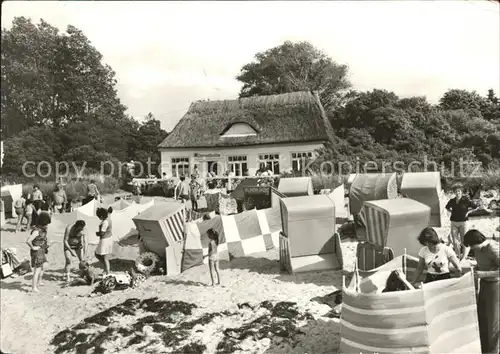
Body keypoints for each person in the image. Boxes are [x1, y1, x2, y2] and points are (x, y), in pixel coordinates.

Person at [463, 229, 499, 354]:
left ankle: (493, 351)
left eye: (472, 246)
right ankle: (483, 348)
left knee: (493, 320)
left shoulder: (492, 248)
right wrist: (476, 269)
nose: (472, 248)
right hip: (484, 284)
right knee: (482, 316)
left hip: (495, 285)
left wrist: (484, 273)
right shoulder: (478, 250)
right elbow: (483, 264)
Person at [446, 184, 480, 260]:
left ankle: (464, 256)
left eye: (459, 191)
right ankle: (458, 256)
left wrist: (468, 212)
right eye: (456, 191)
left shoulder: (466, 200)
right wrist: (451, 211)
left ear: (461, 192)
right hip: (454, 222)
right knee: (455, 241)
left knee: (463, 241)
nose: (457, 193)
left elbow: (475, 207)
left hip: (463, 222)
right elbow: (447, 207)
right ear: (454, 193)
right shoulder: (452, 201)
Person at [26, 212, 51, 292]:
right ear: (42, 223)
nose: (47, 226)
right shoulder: (36, 231)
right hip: (37, 252)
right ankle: (34, 287)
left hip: (41, 251)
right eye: (46, 224)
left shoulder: (42, 230)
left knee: (43, 266)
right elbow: (28, 241)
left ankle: (39, 281)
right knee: (37, 270)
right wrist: (33, 247)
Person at [95, 207, 113, 275]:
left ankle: (107, 271)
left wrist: (97, 233)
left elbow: (102, 232)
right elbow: (108, 212)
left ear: (102, 216)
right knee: (101, 255)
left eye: (99, 217)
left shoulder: (105, 222)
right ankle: (106, 269)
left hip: (105, 239)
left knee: (103, 257)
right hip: (109, 238)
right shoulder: (108, 218)